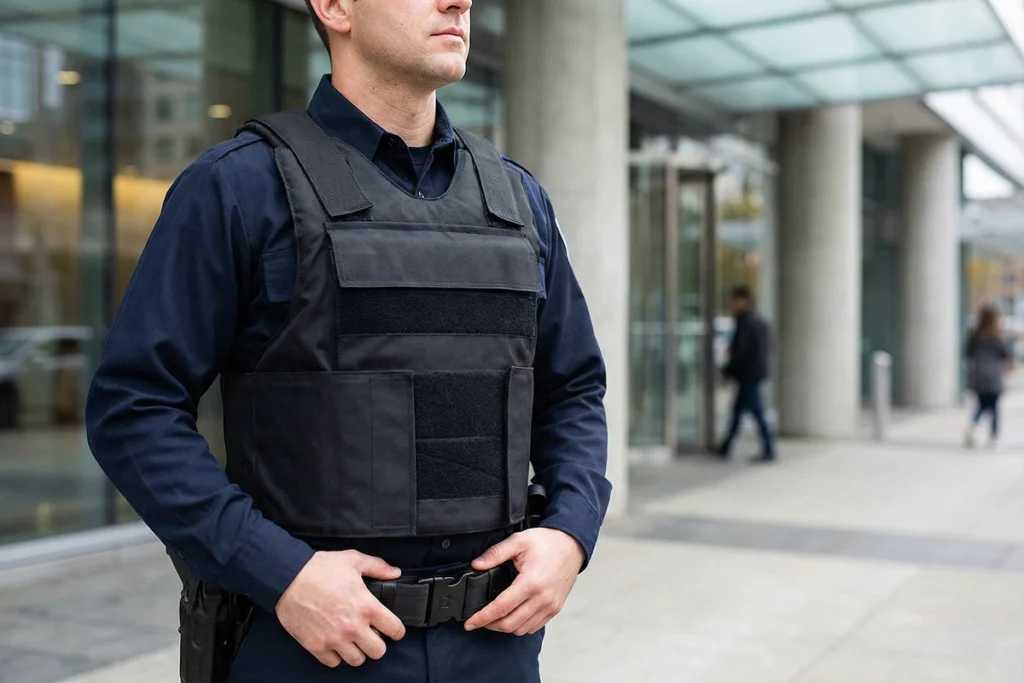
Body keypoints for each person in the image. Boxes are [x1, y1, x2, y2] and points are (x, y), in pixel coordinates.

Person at [84, 1, 612, 681]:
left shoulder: (518, 198)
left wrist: (571, 531)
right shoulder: (240, 187)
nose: (460, 0)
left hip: (493, 647)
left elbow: (573, 386)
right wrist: (280, 572)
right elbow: (133, 408)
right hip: (311, 645)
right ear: (334, 7)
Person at [716, 285, 775, 463]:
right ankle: (726, 446)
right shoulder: (759, 321)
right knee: (737, 412)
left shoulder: (747, 322)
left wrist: (728, 370)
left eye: (735, 301)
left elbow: (740, 352)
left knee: (756, 412)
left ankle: (769, 449)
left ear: (744, 301)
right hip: (753, 373)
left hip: (748, 374)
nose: (733, 305)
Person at [964, 305, 1012, 449]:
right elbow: (1006, 356)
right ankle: (994, 436)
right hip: (993, 376)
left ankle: (973, 426)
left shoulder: (975, 336)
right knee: (994, 407)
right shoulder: (997, 337)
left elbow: (968, 354)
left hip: (978, 375)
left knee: (982, 404)